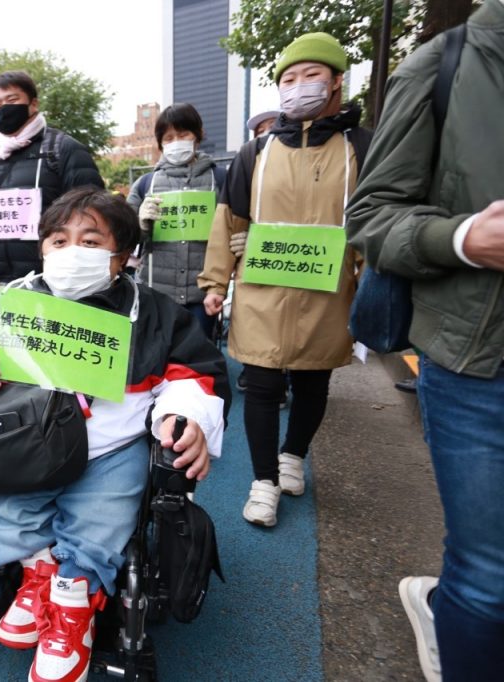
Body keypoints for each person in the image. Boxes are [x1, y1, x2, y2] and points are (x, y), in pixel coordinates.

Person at [0, 188, 229, 682]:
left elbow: (193, 374)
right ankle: (37, 574)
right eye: (58, 240)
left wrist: (187, 417)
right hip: (26, 439)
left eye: (91, 241)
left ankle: (74, 602)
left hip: (111, 446)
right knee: (6, 500)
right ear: (42, 250)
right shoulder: (14, 302)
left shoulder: (156, 312)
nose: (72, 252)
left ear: (124, 256)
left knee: (105, 509)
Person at [345, 5, 504, 678]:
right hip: (478, 362)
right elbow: (371, 216)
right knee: (490, 578)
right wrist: (464, 239)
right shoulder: (446, 64)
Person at [198, 32, 372, 527]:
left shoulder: (361, 146)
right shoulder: (257, 152)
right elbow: (228, 220)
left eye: (311, 75)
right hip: (261, 291)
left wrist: (365, 279)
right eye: (288, 79)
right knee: (261, 384)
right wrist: (215, 283)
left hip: (328, 291)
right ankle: (263, 480)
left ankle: (293, 454)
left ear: (337, 81)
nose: (299, 87)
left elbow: (374, 219)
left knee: (315, 378)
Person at [0, 71, 105, 301]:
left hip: (55, 282)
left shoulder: (63, 149)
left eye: (12, 100)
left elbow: (92, 213)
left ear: (33, 104)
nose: (4, 107)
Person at [127, 103, 223, 336]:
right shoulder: (144, 184)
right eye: (168, 138)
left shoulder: (220, 179)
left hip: (202, 295)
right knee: (154, 359)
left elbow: (231, 230)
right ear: (160, 144)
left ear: (198, 136)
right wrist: (139, 224)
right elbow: (124, 239)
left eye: (183, 134)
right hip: (154, 292)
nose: (176, 142)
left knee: (197, 362)